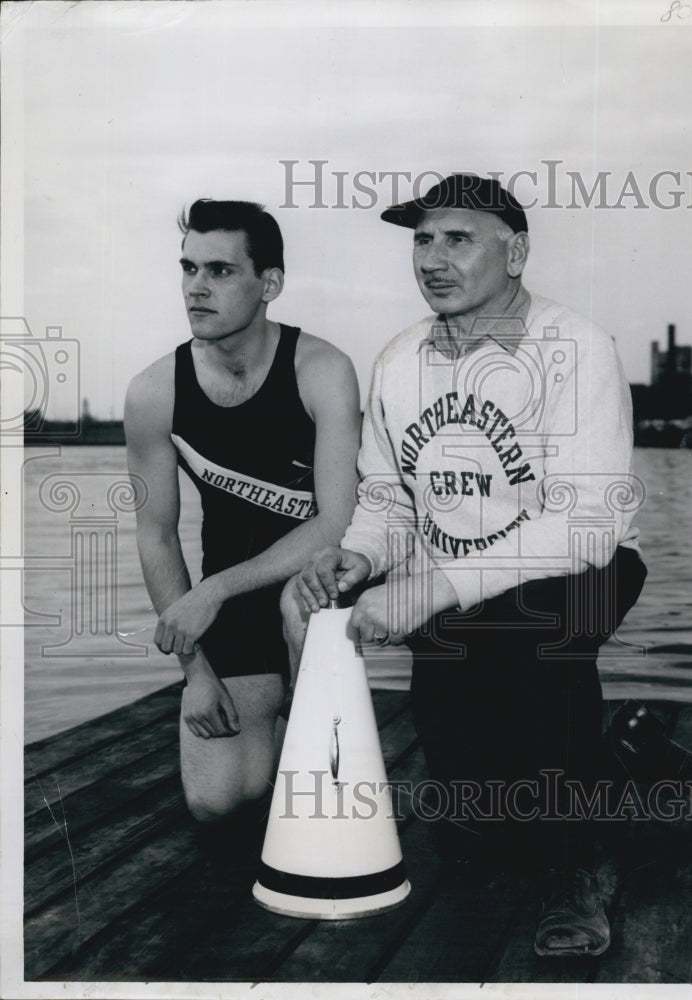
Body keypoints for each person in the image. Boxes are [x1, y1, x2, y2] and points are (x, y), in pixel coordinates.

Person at [294, 174, 647, 957]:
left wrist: (432, 589)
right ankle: (628, 763)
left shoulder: (575, 348)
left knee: (536, 649)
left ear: (515, 252)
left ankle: (580, 867)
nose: (431, 258)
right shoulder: (398, 361)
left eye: (459, 238)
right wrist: (355, 557)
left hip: (572, 577)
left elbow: (587, 526)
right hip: (450, 595)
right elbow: (387, 499)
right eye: (421, 239)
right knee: (476, 834)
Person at [125, 199, 361, 829]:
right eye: (189, 269)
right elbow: (156, 536)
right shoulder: (155, 392)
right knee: (218, 800)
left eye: (221, 271)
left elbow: (336, 521)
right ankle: (284, 727)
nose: (197, 288)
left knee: (303, 610)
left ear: (270, 284)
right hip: (232, 603)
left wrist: (215, 591)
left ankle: (307, 723)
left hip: (321, 585)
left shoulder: (321, 369)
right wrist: (194, 668)